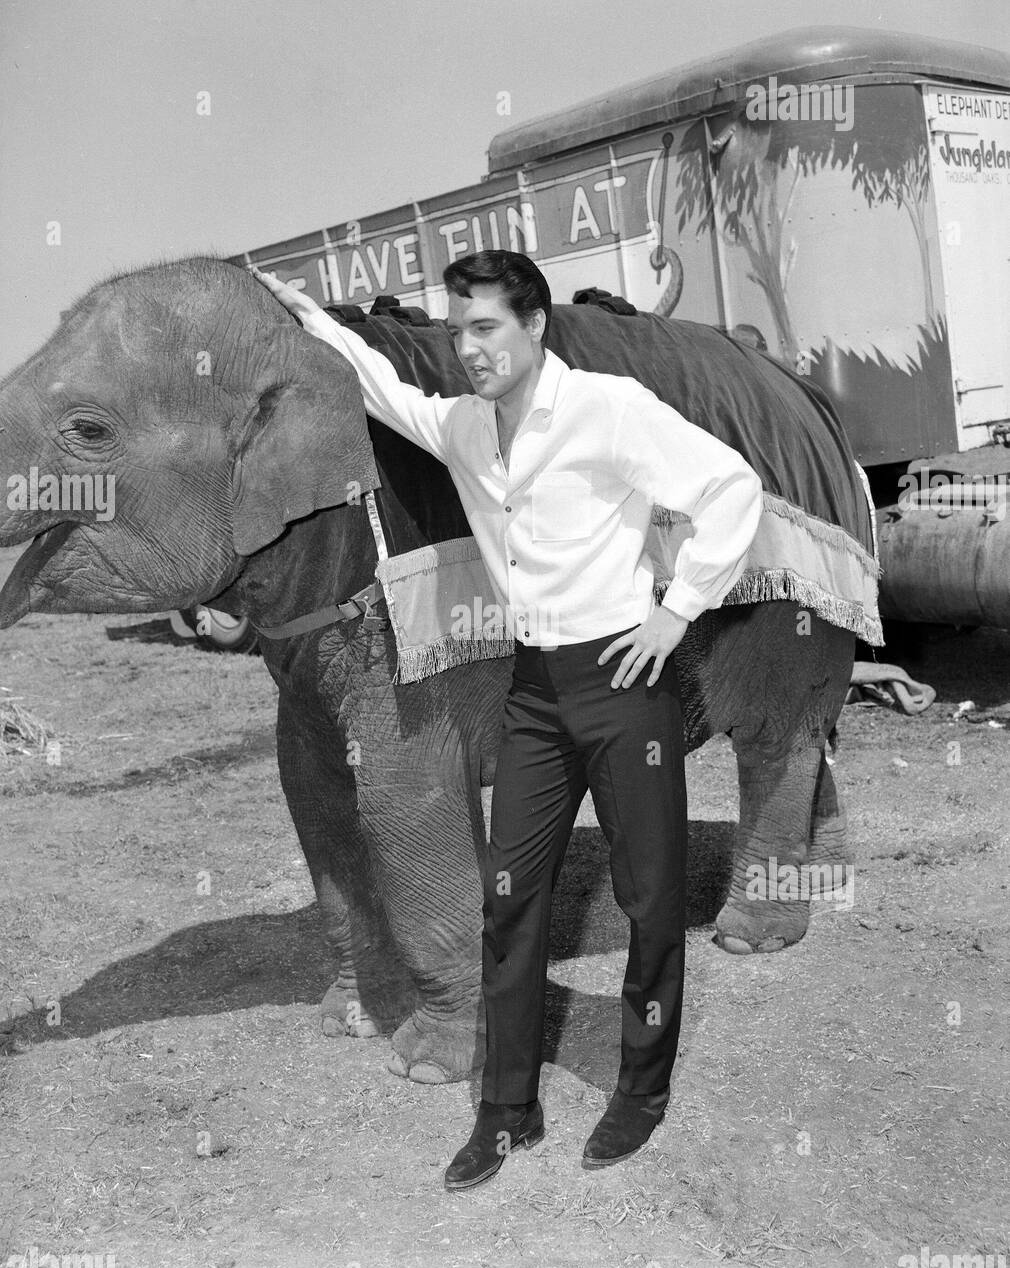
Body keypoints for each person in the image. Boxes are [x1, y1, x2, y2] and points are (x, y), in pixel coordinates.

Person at [249, 251, 763, 1191]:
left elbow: (730, 487)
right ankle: (507, 1110)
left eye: (485, 327)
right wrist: (299, 313)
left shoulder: (609, 410)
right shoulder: (463, 428)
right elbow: (378, 384)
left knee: (650, 899)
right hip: (536, 691)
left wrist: (678, 608)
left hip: (622, 678)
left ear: (534, 326)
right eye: (458, 332)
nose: (469, 348)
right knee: (513, 898)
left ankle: (640, 1092)